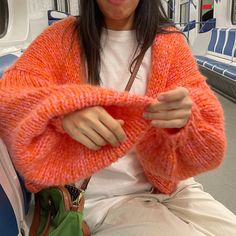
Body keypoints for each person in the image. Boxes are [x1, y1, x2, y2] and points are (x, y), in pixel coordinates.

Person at [0, 0, 236, 235]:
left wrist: (187, 116)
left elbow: (206, 128)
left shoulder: (170, 42)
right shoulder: (60, 38)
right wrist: (60, 113)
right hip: (104, 199)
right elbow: (9, 95)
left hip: (170, 186)